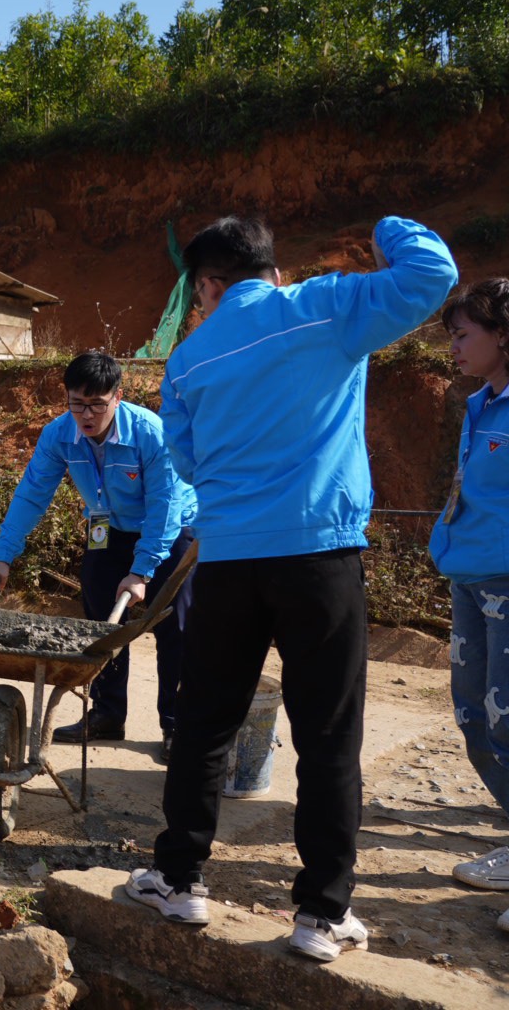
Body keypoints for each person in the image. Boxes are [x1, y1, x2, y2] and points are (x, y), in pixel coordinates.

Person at [125, 215, 457, 963]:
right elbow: (431, 274)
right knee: (328, 738)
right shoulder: (324, 307)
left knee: (206, 724)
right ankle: (320, 915)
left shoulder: (188, 359)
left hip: (229, 562)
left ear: (205, 286)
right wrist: (386, 230)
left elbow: (182, 454)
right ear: (270, 270)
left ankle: (178, 881)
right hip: (320, 555)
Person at [0, 351, 195, 756]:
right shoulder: (59, 435)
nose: (86, 414)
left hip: (169, 530)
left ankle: (176, 724)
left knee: (175, 624)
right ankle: (107, 713)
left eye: (97, 404)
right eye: (77, 403)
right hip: (107, 527)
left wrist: (143, 571)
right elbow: (31, 494)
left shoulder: (151, 433)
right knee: (100, 618)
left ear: (118, 397)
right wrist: (4, 555)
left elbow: (165, 505)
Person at [428, 278, 509, 934]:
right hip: (468, 580)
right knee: (473, 719)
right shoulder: (480, 404)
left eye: (463, 334)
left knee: (508, 723)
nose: (451, 345)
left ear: (503, 335)